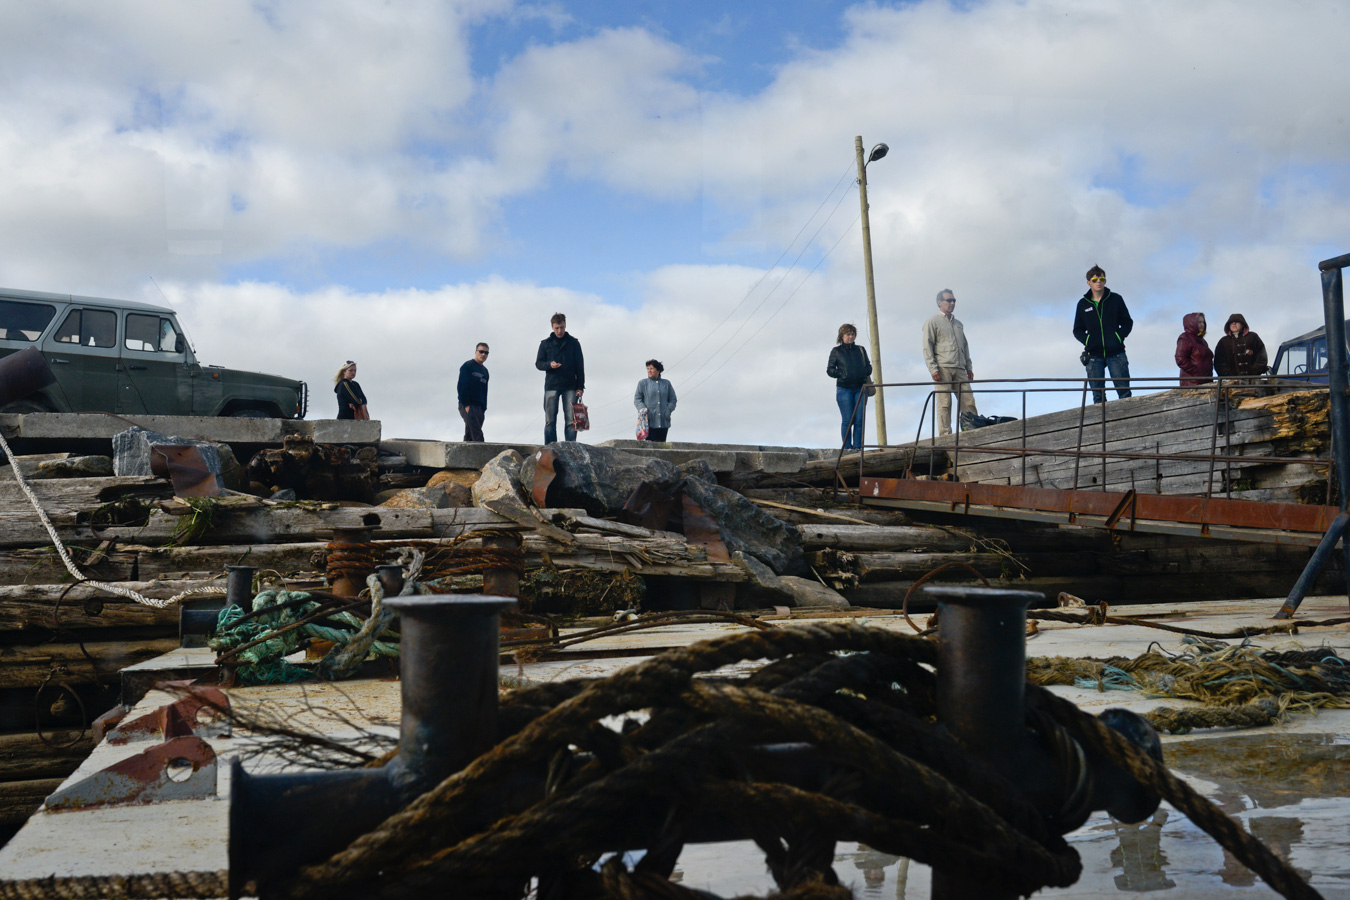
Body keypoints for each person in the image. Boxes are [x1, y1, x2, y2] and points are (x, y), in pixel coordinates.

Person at [1073, 265, 1134, 404]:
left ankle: (1127, 421)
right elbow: (1077, 330)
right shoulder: (1083, 304)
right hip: (1094, 355)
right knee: (1098, 396)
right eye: (1095, 279)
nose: (1098, 281)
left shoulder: (1116, 299)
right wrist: (1088, 341)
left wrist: (1118, 337)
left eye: (1101, 278)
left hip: (1116, 353)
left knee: (1124, 391)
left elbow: (1127, 322)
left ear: (1105, 281)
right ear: (1089, 282)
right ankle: (1102, 424)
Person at [921, 290, 977, 436]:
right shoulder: (932, 322)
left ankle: (971, 431)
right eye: (949, 300)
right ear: (939, 302)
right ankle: (945, 435)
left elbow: (965, 346)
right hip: (943, 367)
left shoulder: (958, 324)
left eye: (954, 300)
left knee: (968, 401)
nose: (952, 303)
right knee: (944, 403)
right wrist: (933, 369)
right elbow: (927, 347)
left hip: (960, 368)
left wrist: (969, 367)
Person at [535, 312, 585, 443]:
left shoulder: (574, 343)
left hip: (570, 386)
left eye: (562, 327)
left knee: (570, 421)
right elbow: (538, 364)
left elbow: (580, 366)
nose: (559, 330)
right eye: (557, 328)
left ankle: (571, 449)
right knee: (550, 421)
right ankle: (550, 448)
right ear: (552, 327)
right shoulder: (545, 344)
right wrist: (549, 365)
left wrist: (580, 386)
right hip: (552, 385)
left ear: (565, 325)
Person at [826, 323, 873, 449]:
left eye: (853, 334)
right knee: (848, 420)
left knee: (859, 420)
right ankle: (847, 448)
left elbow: (869, 367)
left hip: (861, 388)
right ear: (842, 336)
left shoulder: (861, 350)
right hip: (844, 389)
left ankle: (858, 447)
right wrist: (842, 374)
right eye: (848, 334)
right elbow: (830, 370)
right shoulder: (836, 351)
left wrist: (864, 371)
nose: (851, 337)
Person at [633, 359, 677, 442]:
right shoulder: (642, 383)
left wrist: (668, 410)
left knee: (661, 447)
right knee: (649, 448)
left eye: (651, 368)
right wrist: (643, 410)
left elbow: (673, 399)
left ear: (658, 370)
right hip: (648, 421)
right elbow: (637, 399)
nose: (649, 371)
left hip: (663, 421)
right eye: (648, 368)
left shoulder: (666, 383)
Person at [1214, 314, 1268, 379]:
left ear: (1242, 324)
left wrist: (1254, 371)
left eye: (1236, 321)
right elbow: (1219, 363)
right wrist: (1227, 374)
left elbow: (1262, 357)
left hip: (1253, 381)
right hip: (1232, 383)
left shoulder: (1253, 337)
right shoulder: (1223, 341)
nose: (1233, 323)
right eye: (1231, 322)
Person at [457, 342, 490, 442]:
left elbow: (485, 391)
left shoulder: (485, 371)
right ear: (476, 352)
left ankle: (463, 454)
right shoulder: (468, 366)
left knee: (470, 435)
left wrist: (484, 408)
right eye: (481, 351)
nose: (483, 354)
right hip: (468, 404)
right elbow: (461, 386)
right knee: (477, 434)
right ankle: (484, 453)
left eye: (486, 352)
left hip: (480, 406)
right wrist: (466, 405)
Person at [1175, 312, 1213, 386]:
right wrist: (1195, 372)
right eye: (1199, 322)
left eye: (1203, 322)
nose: (1202, 324)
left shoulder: (1203, 341)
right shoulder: (1185, 337)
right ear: (1191, 323)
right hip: (1192, 383)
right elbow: (1180, 358)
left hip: (1206, 381)